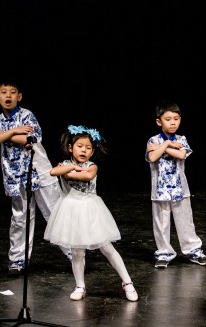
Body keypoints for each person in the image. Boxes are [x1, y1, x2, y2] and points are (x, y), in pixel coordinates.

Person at [43, 125, 138, 302]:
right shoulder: (66, 165)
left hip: (91, 209)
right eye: (80, 146)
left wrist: (72, 171)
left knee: (107, 248)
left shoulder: (91, 166)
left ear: (92, 152)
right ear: (70, 148)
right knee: (77, 251)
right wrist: (72, 168)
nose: (83, 150)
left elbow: (88, 176)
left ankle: (127, 282)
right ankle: (80, 286)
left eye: (88, 148)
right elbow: (53, 172)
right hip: (71, 210)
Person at [0, 80, 69, 273]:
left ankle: (73, 252)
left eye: (12, 92)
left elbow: (29, 139)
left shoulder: (27, 115)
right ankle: (18, 259)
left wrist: (3, 134)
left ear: (19, 96)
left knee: (54, 211)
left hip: (39, 171)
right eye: (4, 92)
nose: (8, 95)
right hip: (15, 175)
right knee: (20, 217)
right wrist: (13, 131)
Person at [146, 100, 206, 268]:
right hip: (160, 190)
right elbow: (152, 157)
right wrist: (168, 144)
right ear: (159, 121)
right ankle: (164, 252)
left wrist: (162, 147)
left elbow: (181, 155)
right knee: (161, 223)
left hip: (180, 189)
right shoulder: (152, 140)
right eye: (168, 119)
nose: (173, 123)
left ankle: (193, 250)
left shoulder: (182, 139)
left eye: (176, 119)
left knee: (185, 221)